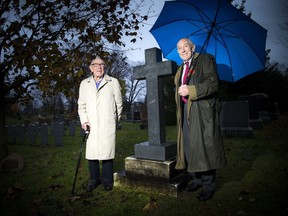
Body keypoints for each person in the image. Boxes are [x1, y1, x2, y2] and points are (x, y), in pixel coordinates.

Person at [174, 38, 226, 201]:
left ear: (193, 47)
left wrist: (191, 89)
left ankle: (209, 185)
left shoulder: (205, 60)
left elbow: (213, 84)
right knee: (190, 147)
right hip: (186, 112)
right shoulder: (181, 68)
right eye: (179, 48)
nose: (182, 50)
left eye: (186, 47)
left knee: (205, 147)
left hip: (201, 112)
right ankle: (197, 180)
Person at [78, 57, 123, 192]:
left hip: (107, 124)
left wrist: (114, 120)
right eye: (95, 65)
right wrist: (84, 120)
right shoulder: (84, 84)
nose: (99, 67)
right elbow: (81, 105)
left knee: (107, 152)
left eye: (102, 64)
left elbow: (119, 104)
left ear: (105, 67)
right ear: (91, 68)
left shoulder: (113, 82)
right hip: (90, 124)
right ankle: (94, 179)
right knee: (92, 153)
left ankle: (107, 180)